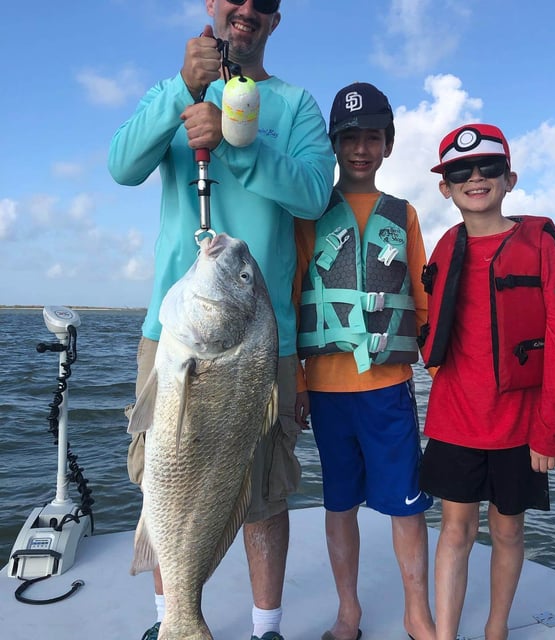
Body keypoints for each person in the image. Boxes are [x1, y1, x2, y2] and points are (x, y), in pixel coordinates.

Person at [108, 1, 335, 639]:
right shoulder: (172, 90)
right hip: (176, 336)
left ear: (276, 19)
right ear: (211, 5)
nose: (247, 11)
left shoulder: (295, 105)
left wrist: (238, 143)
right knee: (166, 478)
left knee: (263, 490)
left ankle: (266, 628)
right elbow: (123, 166)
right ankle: (173, 621)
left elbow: (315, 191)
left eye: (264, 3)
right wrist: (183, 90)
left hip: (267, 340)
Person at [418, 123, 555, 640]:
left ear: (509, 179)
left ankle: (496, 630)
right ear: (445, 187)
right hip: (455, 418)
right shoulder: (444, 246)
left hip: (520, 424)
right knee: (455, 530)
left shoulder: (539, 241)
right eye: (460, 171)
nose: (475, 178)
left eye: (488, 168)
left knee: (509, 529)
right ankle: (445, 635)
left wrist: (550, 429)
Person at [294, 82, 436, 640]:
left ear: (388, 145)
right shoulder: (308, 213)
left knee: (406, 506)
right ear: (333, 144)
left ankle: (417, 614)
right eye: (349, 138)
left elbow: (422, 302)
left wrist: (438, 369)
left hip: (389, 388)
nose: (360, 148)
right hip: (326, 391)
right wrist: (298, 380)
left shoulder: (405, 215)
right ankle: (348, 613)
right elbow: (291, 292)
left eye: (372, 137)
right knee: (339, 504)